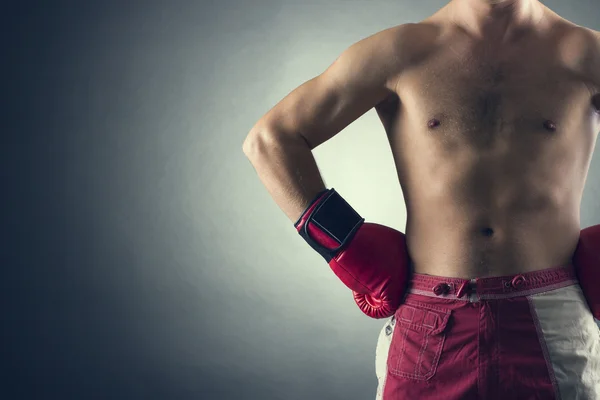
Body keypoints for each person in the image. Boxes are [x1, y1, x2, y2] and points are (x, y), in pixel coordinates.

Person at [242, 0, 600, 398]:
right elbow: (269, 140)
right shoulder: (403, 51)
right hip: (429, 322)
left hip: (551, 318)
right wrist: (343, 242)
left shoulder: (586, 55)